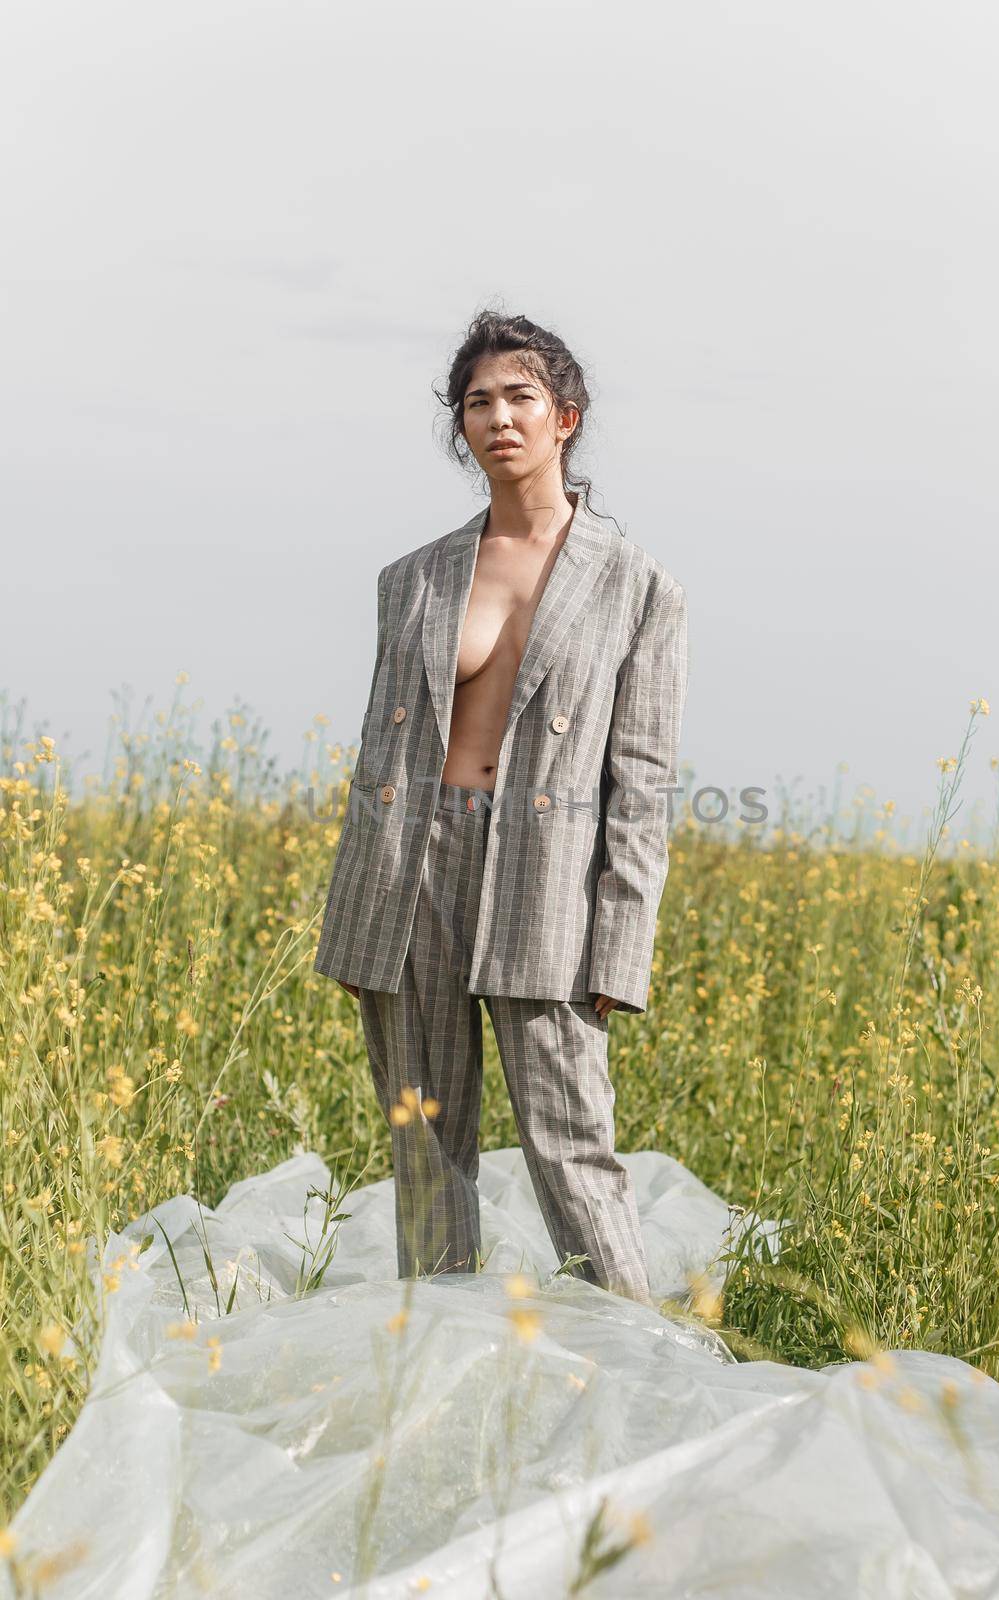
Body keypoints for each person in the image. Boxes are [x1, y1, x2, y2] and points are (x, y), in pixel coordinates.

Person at [314, 309, 689, 1305]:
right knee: (425, 1145)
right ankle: (443, 1365)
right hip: (413, 874)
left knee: (571, 1146)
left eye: (519, 396)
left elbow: (640, 784)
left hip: (548, 880)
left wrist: (619, 945)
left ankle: (641, 1365)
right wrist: (361, 922)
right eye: (475, 401)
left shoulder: (638, 586)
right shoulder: (413, 579)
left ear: (565, 415)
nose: (497, 417)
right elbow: (378, 755)